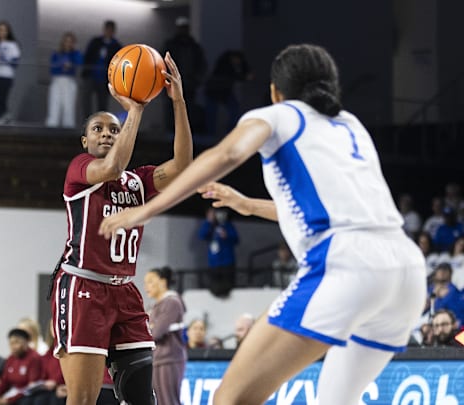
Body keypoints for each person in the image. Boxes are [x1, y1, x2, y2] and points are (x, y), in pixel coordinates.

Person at [99, 43, 427, 404]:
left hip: (348, 265)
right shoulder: (351, 126)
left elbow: (228, 153)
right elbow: (339, 213)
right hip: (407, 272)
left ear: (275, 91)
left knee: (230, 399)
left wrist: (144, 211)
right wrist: (247, 206)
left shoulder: (278, 116)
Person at [50, 52, 192, 405]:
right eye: (98, 129)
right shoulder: (80, 170)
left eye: (114, 129)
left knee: (143, 397)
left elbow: (184, 165)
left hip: (125, 293)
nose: (107, 134)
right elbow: (112, 168)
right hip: (83, 286)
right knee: (83, 399)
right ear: (85, 141)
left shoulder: (139, 181)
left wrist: (178, 103)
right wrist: (137, 109)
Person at [143, 267, 187, 405]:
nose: (146, 287)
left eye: (150, 281)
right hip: (158, 359)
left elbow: (156, 333)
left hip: (170, 358)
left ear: (163, 282)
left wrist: (150, 327)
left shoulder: (172, 302)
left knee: (169, 401)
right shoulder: (155, 306)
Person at [161, 16, 207, 131]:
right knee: (171, 109)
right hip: (172, 83)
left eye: (185, 28)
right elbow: (162, 62)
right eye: (181, 28)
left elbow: (202, 64)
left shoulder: (194, 46)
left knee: (187, 109)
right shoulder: (170, 45)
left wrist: (197, 79)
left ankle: (185, 133)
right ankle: (170, 133)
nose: (183, 30)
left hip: (189, 85)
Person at [204, 49, 254, 134]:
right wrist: (243, 77)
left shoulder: (238, 64)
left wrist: (245, 75)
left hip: (226, 92)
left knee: (234, 111)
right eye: (236, 60)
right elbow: (232, 75)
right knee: (211, 114)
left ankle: (231, 132)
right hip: (213, 91)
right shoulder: (224, 64)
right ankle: (210, 133)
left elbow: (245, 72)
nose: (237, 62)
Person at [0, 328, 44, 405]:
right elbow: (5, 380)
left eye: (16, 343)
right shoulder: (11, 358)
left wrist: (10, 400)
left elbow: (31, 387)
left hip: (28, 395)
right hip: (13, 392)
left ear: (26, 343)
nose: (13, 346)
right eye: (11, 343)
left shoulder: (34, 358)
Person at [81, 21, 122, 116]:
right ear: (104, 30)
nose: (108, 32)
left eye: (110, 30)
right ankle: (87, 122)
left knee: (102, 103)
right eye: (107, 29)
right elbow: (87, 56)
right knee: (86, 100)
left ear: (113, 31)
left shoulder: (116, 46)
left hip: (104, 79)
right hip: (91, 75)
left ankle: (100, 124)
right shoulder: (95, 42)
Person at [198, 207, 239, 295]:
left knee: (228, 287)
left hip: (227, 262)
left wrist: (226, 236)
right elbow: (202, 235)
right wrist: (208, 221)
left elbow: (236, 239)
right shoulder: (210, 226)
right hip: (214, 263)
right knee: (214, 287)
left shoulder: (228, 225)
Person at [46, 31, 83, 128]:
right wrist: (61, 66)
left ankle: (68, 128)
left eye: (70, 41)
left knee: (68, 107)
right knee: (54, 105)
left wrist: (71, 65)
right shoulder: (56, 53)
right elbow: (52, 68)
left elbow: (80, 62)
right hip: (57, 80)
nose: (68, 43)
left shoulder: (75, 54)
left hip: (69, 81)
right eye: (66, 41)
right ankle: (51, 127)